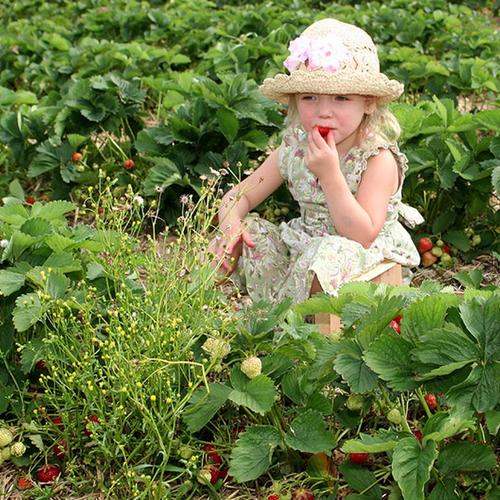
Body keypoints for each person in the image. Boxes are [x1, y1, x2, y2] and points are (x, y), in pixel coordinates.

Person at [209, 18, 423, 304]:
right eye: (310, 97)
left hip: (361, 260)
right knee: (250, 232)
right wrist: (230, 226)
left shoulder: (377, 158)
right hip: (303, 251)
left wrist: (331, 175)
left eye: (340, 98)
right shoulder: (294, 149)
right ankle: (211, 305)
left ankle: (292, 319)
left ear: (369, 102)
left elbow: (362, 236)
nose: (324, 112)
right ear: (295, 102)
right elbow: (237, 197)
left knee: (327, 254)